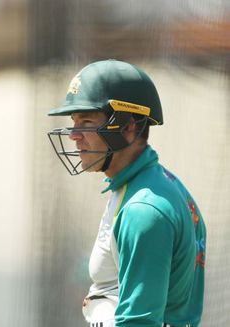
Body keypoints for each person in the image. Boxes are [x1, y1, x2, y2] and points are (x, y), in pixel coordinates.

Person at [47, 59, 206, 327]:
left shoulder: (144, 210)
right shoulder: (152, 185)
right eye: (74, 121)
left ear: (128, 126)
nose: (74, 135)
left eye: (86, 121)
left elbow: (139, 323)